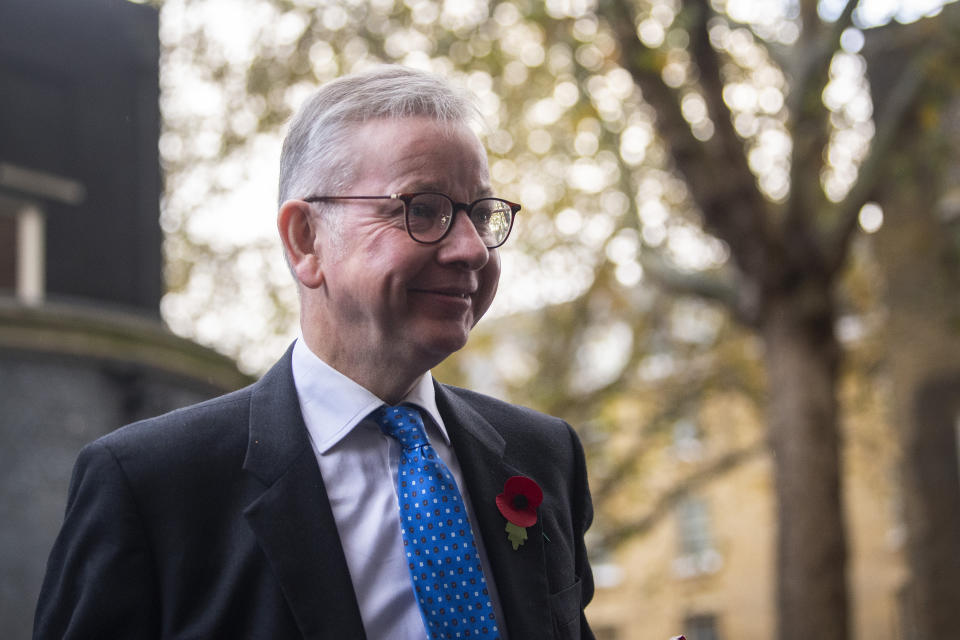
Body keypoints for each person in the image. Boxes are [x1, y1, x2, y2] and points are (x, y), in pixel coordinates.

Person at [34, 65, 595, 640]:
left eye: (480, 214)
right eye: (423, 209)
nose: (472, 249)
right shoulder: (150, 485)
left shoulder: (544, 455)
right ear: (306, 239)